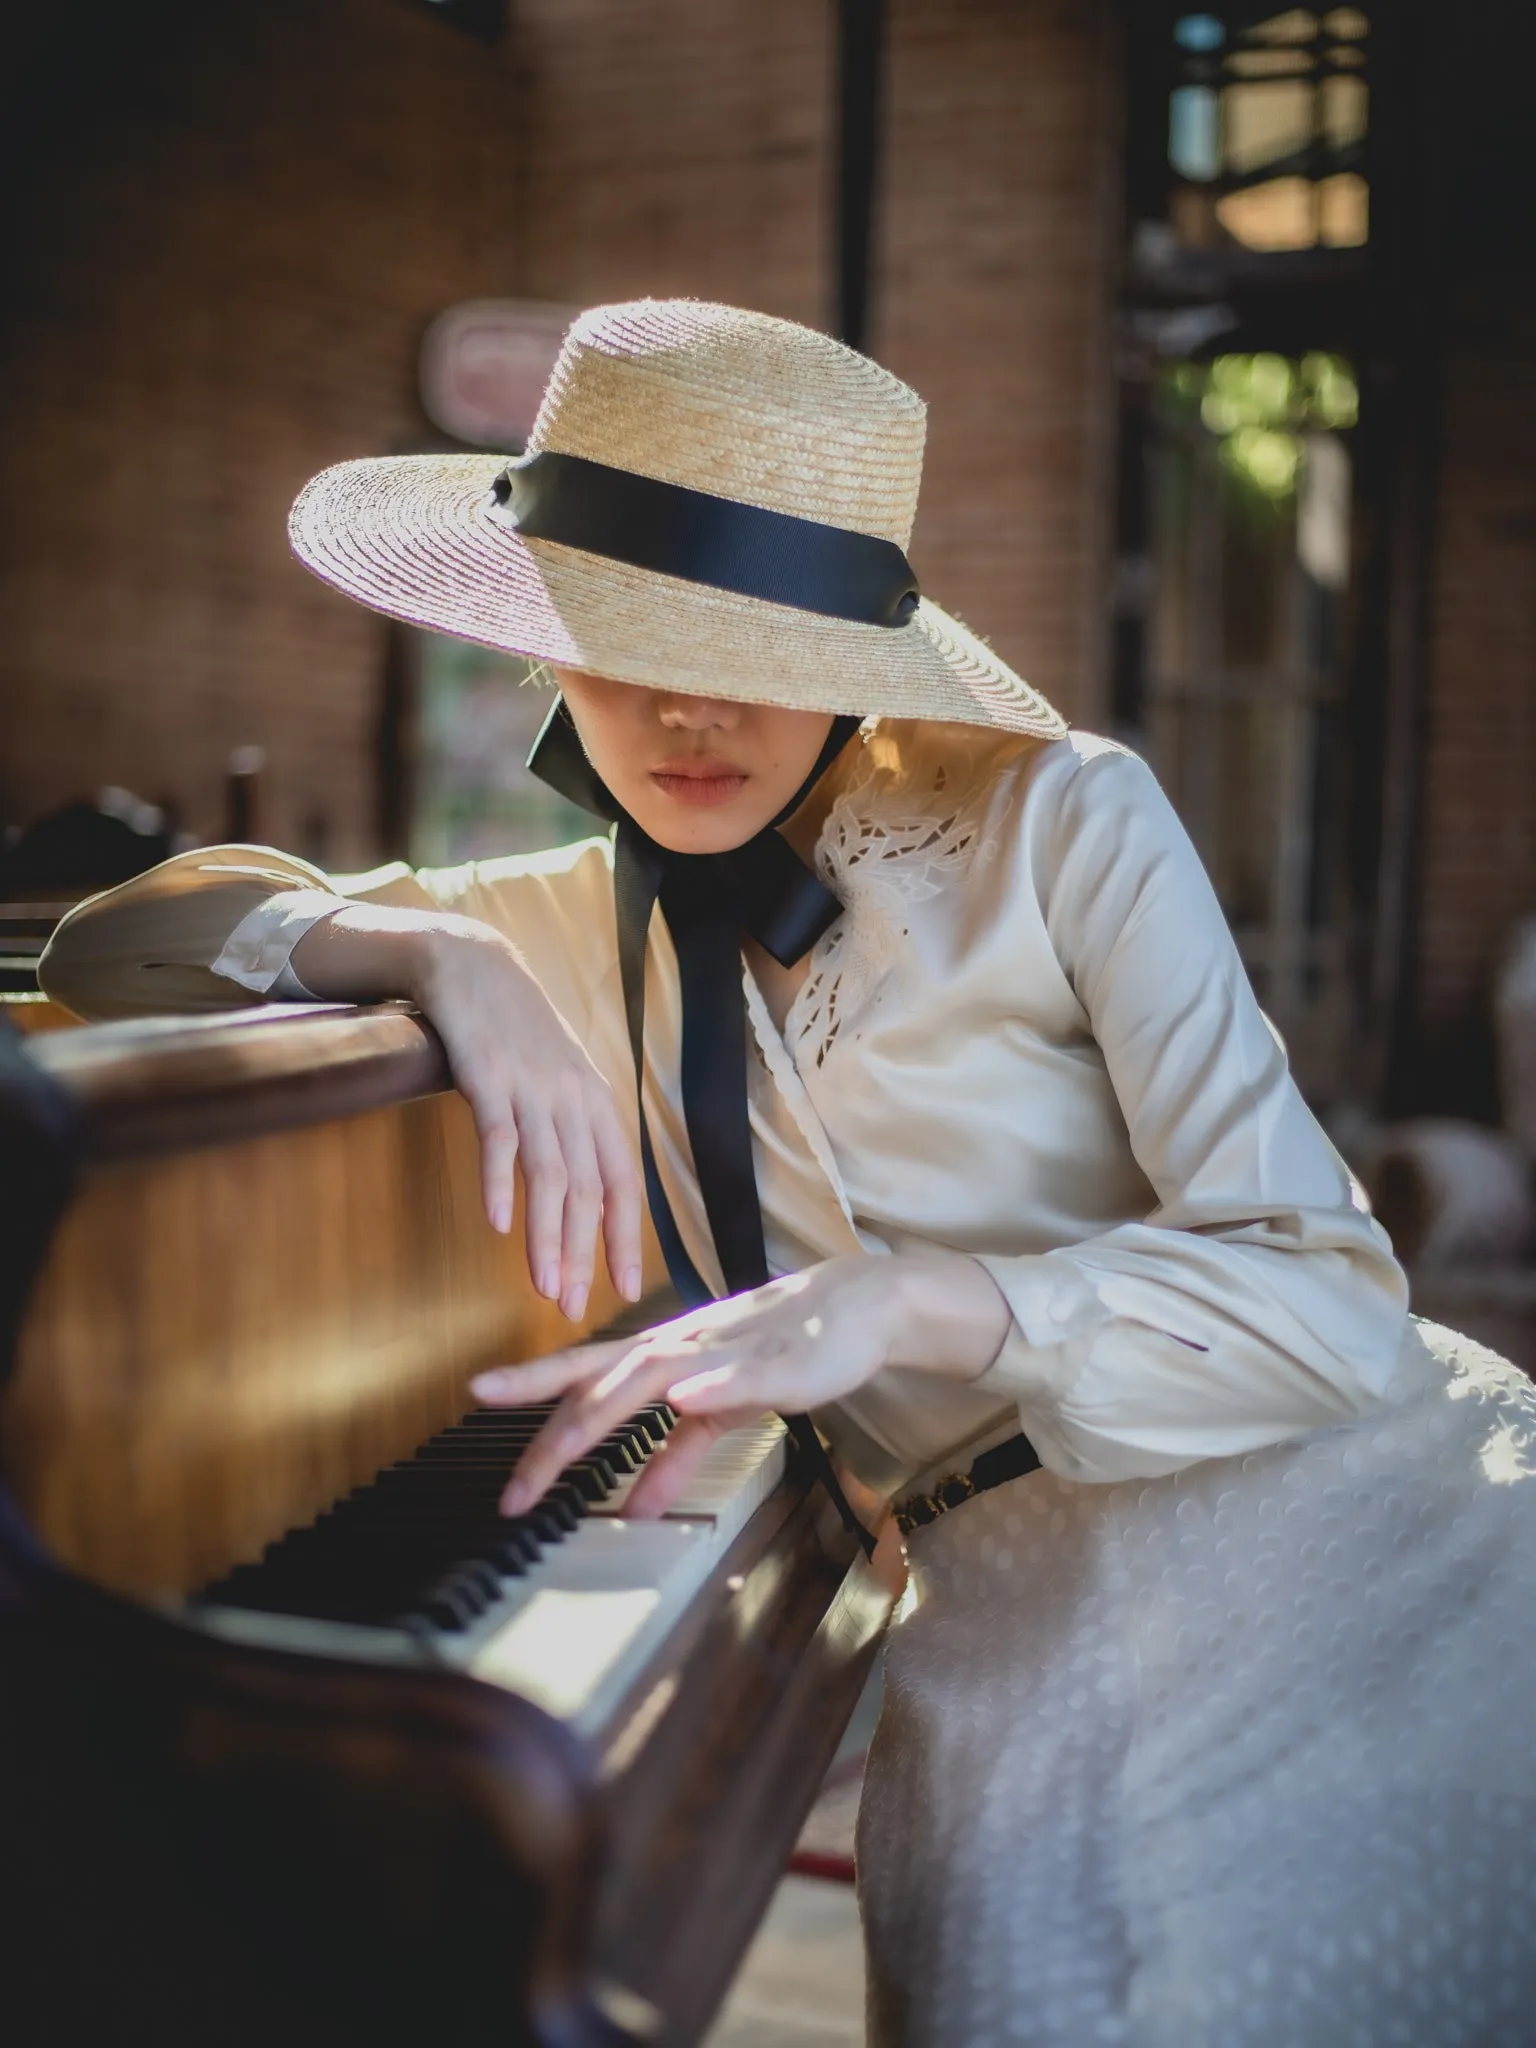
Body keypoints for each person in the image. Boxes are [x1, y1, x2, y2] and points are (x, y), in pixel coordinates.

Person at [40, 300, 1536, 2047]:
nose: (687, 706)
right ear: (541, 639)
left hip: (1372, 1559)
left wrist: (915, 1299)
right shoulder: (540, 928)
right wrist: (421, 955)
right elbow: (110, 943)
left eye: (752, 641)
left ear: (859, 645)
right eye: (630, 637)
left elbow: (1331, 1300)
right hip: (994, 1629)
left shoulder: (1067, 818)